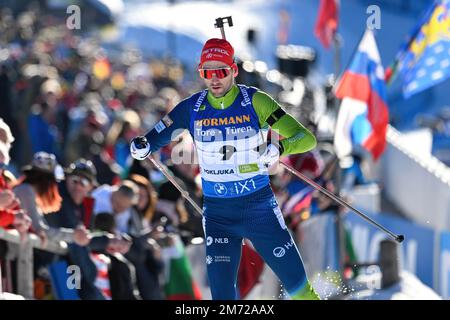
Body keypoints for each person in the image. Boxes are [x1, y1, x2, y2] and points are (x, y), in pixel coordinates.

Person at [130, 38, 320, 300]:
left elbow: (306, 138)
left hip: (259, 209)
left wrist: (279, 149)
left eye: (221, 71)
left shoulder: (255, 101)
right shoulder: (192, 108)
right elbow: (154, 138)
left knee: (299, 289)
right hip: (219, 215)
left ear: (234, 70)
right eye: (207, 73)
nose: (214, 79)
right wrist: (141, 144)